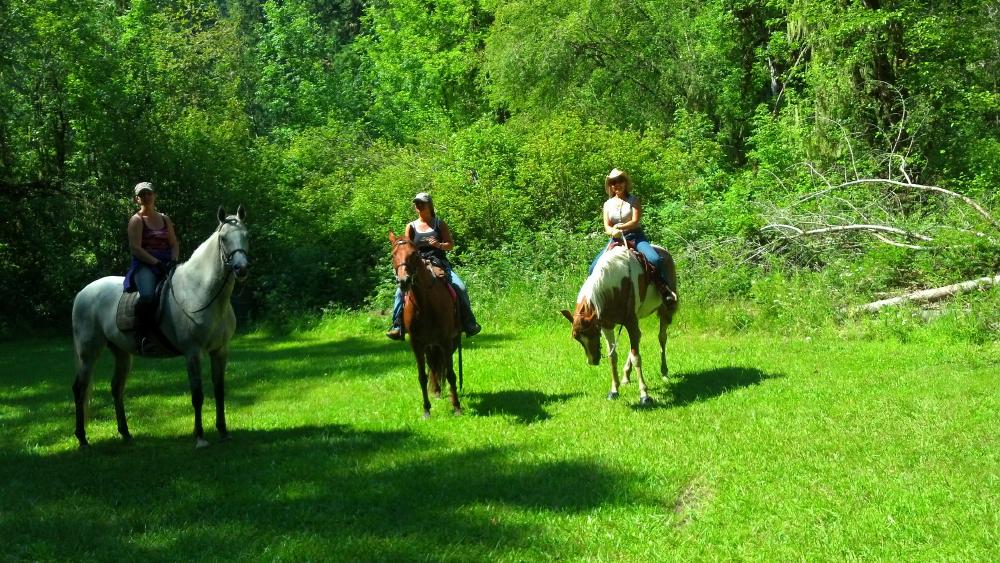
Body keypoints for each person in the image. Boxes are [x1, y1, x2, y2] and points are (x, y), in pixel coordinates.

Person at [387, 192, 481, 340]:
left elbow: (450, 245)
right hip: (417, 265)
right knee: (400, 291)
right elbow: (407, 248)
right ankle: (397, 325)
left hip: (439, 263)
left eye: (422, 203)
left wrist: (439, 245)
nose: (419, 206)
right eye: (417, 204)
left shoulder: (439, 224)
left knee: (460, 287)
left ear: (429, 205)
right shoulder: (411, 226)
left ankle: (469, 322)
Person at [589, 168, 676, 302]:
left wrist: (619, 227)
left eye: (620, 181)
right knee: (593, 267)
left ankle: (665, 290)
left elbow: (635, 221)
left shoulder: (633, 200)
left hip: (636, 237)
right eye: (613, 182)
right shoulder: (607, 204)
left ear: (625, 183)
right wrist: (612, 231)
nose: (617, 184)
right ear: (610, 186)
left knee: (655, 259)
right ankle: (594, 299)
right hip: (616, 239)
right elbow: (607, 226)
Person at [123, 182, 180, 352]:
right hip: (145, 264)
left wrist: (173, 260)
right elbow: (135, 249)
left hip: (167, 263)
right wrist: (156, 263)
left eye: (149, 193)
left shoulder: (165, 219)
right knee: (147, 295)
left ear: (154, 195)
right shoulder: (136, 220)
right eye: (142, 195)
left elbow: (174, 243)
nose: (146, 197)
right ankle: (141, 336)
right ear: (136, 199)